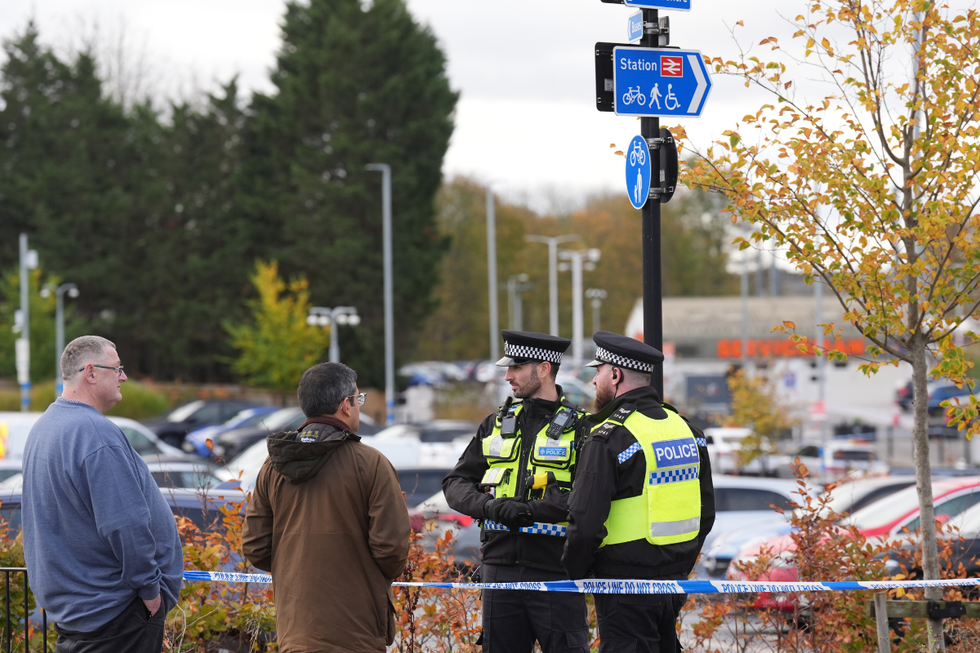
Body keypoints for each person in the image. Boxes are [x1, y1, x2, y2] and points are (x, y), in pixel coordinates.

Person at [22, 335, 183, 653]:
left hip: (80, 615)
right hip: (116, 616)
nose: (123, 376)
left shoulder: (44, 428)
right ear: (91, 372)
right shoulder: (95, 433)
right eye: (118, 368)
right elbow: (125, 523)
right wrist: (150, 589)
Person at [563, 331, 715, 653]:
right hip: (673, 580)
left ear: (615, 375)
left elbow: (584, 522)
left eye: (598, 372)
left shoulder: (610, 437)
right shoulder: (687, 430)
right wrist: (678, 565)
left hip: (622, 584)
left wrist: (578, 574)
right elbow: (706, 512)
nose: (593, 382)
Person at [242, 362, 410, 653]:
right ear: (345, 405)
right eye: (358, 399)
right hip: (358, 632)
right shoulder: (371, 464)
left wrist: (295, 566)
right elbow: (392, 549)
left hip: (295, 632)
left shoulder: (273, 466)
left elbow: (255, 546)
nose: (359, 406)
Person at [443, 330, 592, 653]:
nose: (508, 375)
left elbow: (589, 497)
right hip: (500, 571)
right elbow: (454, 484)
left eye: (517, 367)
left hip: (557, 571)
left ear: (543, 368)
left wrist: (529, 512)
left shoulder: (583, 429)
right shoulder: (494, 424)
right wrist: (489, 506)